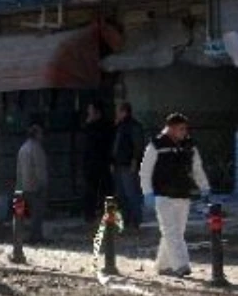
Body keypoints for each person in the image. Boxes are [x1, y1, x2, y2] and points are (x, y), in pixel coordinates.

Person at [140, 112, 210, 277]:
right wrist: (147, 192)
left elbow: (196, 168)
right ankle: (181, 265)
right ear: (170, 128)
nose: (184, 132)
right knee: (171, 231)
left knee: (176, 231)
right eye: (181, 129)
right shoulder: (156, 145)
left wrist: (204, 187)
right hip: (163, 195)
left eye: (185, 129)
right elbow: (145, 171)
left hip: (182, 194)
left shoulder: (189, 146)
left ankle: (163, 266)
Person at [111, 102, 145, 230]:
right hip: (121, 163)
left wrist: (134, 161)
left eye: (118, 111)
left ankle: (135, 219)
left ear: (124, 112)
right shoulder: (121, 126)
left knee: (130, 192)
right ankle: (128, 218)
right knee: (123, 194)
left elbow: (137, 145)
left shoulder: (130, 126)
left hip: (126, 163)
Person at [16, 122, 49, 244]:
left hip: (24, 184)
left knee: (26, 213)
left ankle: (26, 236)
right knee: (37, 213)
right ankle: (36, 236)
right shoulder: (36, 148)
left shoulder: (23, 148)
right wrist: (42, 183)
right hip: (36, 185)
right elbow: (39, 168)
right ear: (37, 134)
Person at [81, 103, 113, 223]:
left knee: (99, 190)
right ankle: (96, 214)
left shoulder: (97, 128)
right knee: (97, 190)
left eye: (90, 112)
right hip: (96, 163)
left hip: (98, 162)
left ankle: (98, 214)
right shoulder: (98, 127)